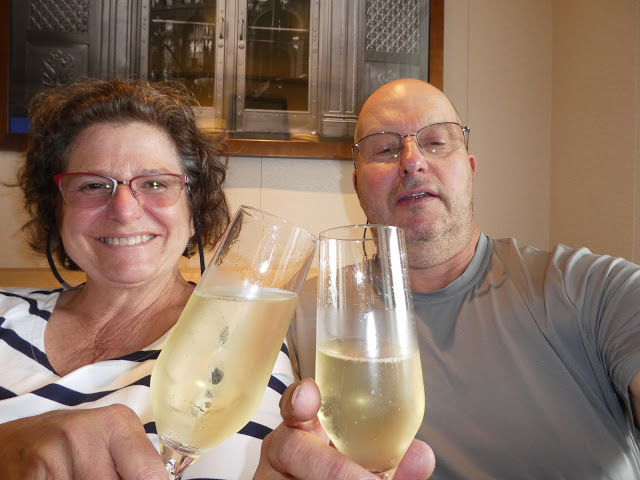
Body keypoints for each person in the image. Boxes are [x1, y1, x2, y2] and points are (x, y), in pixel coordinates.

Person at [280, 78, 640, 479]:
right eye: (384, 148)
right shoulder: (297, 314)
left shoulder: (594, 289)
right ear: (358, 187)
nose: (412, 161)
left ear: (469, 169)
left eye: (436, 142)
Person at [0, 78, 287, 480]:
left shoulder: (240, 342)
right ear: (58, 211)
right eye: (93, 185)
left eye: (155, 184)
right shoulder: (5, 313)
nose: (124, 209)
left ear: (193, 211)